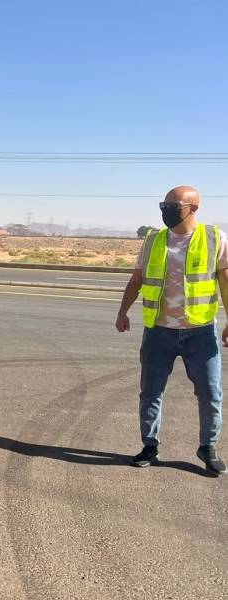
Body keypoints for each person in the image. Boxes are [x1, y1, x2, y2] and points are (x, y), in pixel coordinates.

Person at [115, 185, 228, 475]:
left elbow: (226, 281)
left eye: (173, 206)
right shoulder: (153, 240)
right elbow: (137, 279)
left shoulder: (214, 238)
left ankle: (208, 447)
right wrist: (122, 311)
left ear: (193, 208)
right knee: (150, 392)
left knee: (210, 393)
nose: (166, 211)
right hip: (159, 331)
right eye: (163, 205)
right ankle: (149, 445)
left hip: (200, 332)